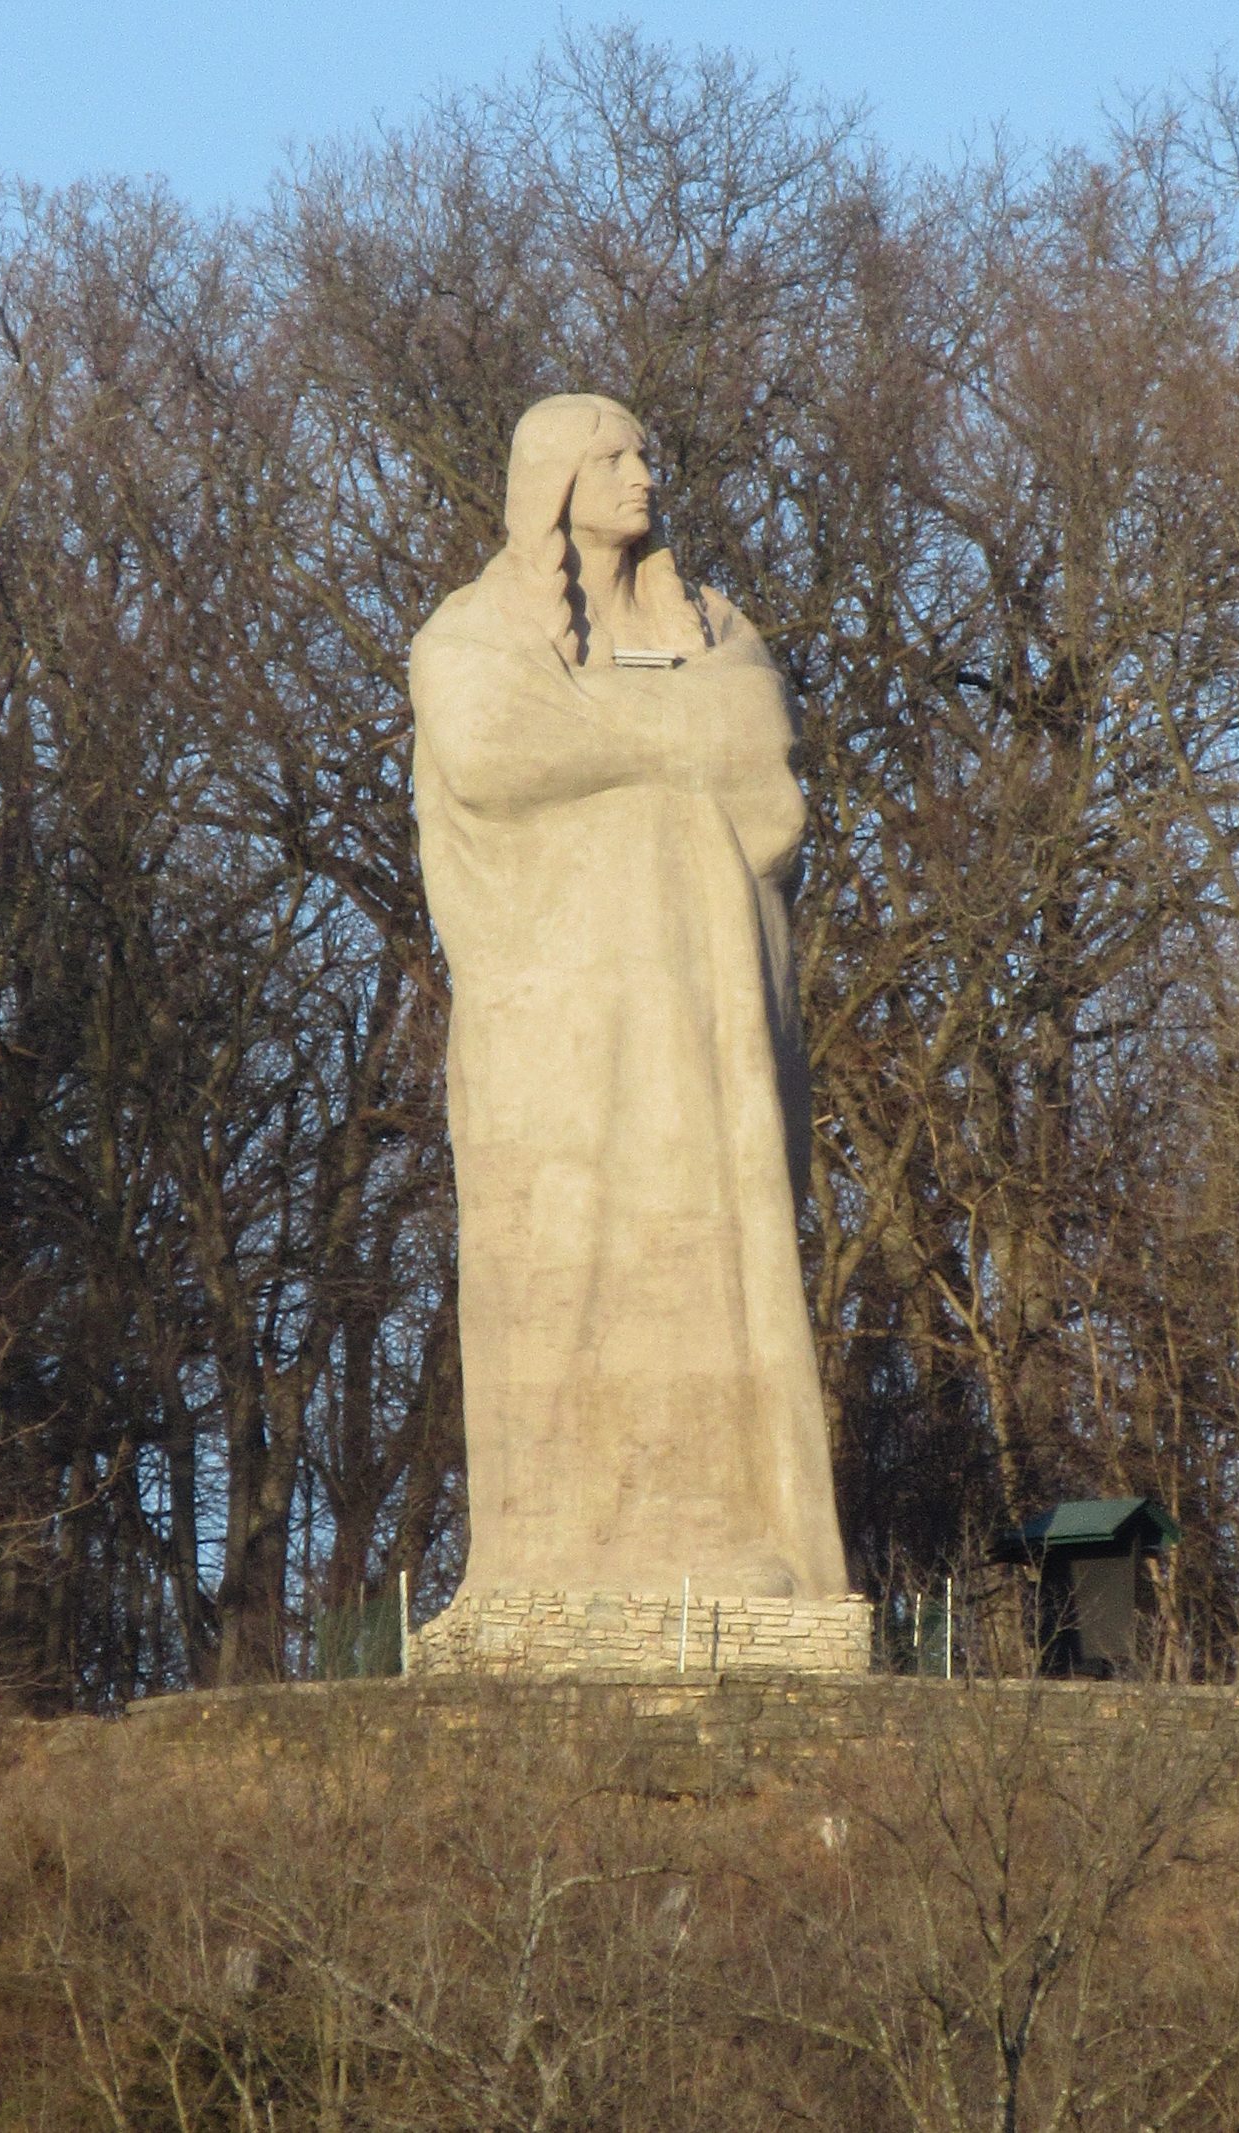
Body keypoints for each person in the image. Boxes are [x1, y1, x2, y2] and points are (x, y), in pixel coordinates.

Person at [409, 392, 847, 1601]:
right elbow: (493, 750)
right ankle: (560, 1550)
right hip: (554, 1031)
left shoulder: (715, 624)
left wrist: (604, 726)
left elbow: (761, 758)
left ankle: (721, 1525)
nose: (642, 475)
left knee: (704, 1252)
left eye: (645, 453)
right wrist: (673, 740)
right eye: (611, 458)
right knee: (563, 1259)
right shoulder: (472, 631)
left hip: (708, 1023)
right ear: (552, 482)